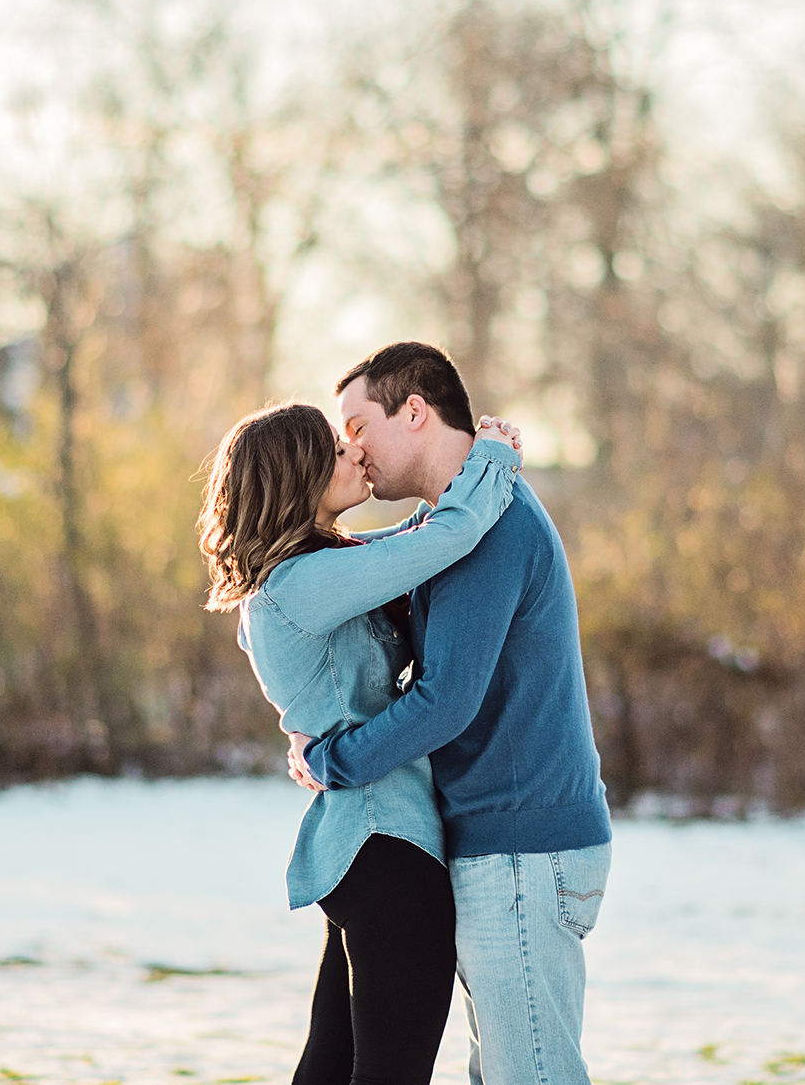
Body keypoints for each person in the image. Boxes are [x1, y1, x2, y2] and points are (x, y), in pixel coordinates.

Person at [288, 342, 611, 1085]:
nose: (353, 449)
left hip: (524, 847)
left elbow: (447, 703)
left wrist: (332, 759)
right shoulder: (453, 525)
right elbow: (365, 565)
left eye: (359, 425)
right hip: (507, 845)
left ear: (414, 411)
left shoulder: (487, 531)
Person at [197, 399, 525, 1085]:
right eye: (334, 449)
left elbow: (414, 534)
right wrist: (491, 455)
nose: (353, 453)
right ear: (299, 475)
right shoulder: (305, 586)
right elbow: (446, 538)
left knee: (330, 1069)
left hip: (363, 853)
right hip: (387, 852)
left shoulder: (302, 578)